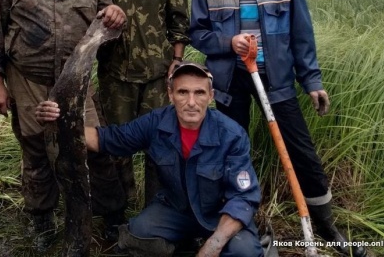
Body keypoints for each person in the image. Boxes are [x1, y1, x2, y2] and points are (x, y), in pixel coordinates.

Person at [189, 0, 367, 257]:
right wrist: (229, 42)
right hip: (230, 83)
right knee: (228, 153)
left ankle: (328, 230)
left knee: (301, 151)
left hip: (278, 81)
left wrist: (312, 82)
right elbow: (198, 34)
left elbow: (302, 36)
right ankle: (240, 227)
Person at [0, 0, 127, 250]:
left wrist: (117, 15)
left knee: (93, 147)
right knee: (35, 150)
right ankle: (41, 217)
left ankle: (112, 215)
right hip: (27, 81)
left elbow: (111, 23)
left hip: (77, 80)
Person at [36, 61, 263, 257]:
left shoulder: (231, 134)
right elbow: (108, 139)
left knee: (245, 251)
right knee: (138, 236)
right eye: (183, 92)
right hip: (175, 209)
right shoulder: (156, 122)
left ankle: (210, 241)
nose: (191, 102)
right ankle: (183, 240)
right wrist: (60, 123)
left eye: (200, 93)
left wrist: (212, 247)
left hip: (219, 214)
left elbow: (243, 198)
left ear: (210, 96)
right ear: (170, 94)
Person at [90, 0, 190, 209]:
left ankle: (157, 210)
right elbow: (86, 15)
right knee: (115, 144)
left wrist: (177, 59)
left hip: (157, 75)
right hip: (115, 73)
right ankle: (119, 210)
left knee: (160, 143)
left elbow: (179, 18)